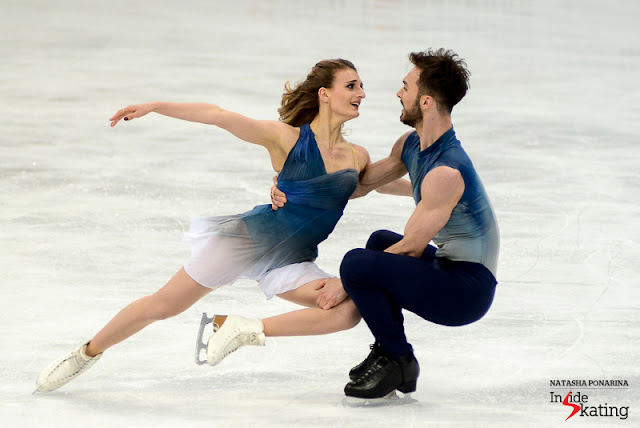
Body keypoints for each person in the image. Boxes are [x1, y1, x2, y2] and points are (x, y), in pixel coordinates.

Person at [34, 59, 405, 393]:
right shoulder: (286, 138)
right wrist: (156, 106)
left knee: (346, 311)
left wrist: (426, 192)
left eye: (360, 86)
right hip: (248, 241)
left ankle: (236, 326)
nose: (362, 93)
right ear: (325, 94)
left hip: (293, 258)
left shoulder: (357, 156)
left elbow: (368, 185)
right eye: (352, 85)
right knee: (163, 305)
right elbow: (217, 114)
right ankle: (85, 353)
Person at [271, 48, 499, 400]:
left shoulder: (446, 169)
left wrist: (346, 283)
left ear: (424, 102)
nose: (398, 93)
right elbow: (359, 184)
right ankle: (391, 352)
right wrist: (293, 183)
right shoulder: (411, 144)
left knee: (357, 264)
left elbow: (411, 246)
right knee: (377, 243)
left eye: (405, 87)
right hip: (450, 268)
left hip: (466, 292)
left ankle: (398, 359)